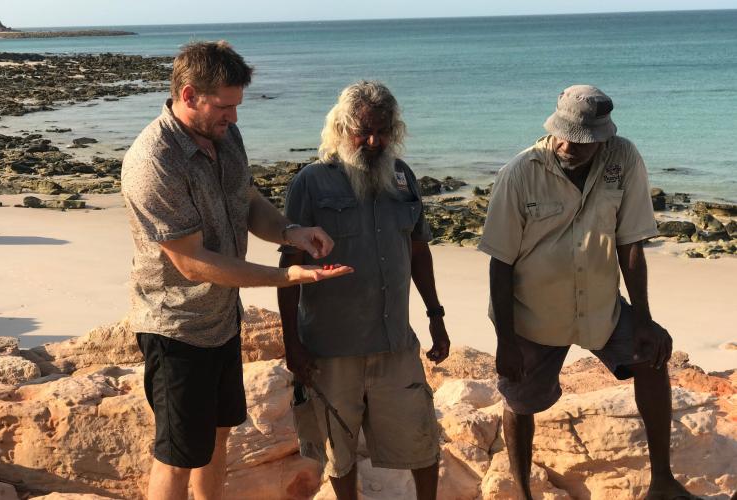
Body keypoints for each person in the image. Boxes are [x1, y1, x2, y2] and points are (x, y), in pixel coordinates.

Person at [121, 40, 352, 500]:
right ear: (188, 96)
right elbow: (190, 263)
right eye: (225, 106)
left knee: (219, 434)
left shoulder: (224, 136)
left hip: (224, 321)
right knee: (177, 456)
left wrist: (292, 232)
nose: (235, 117)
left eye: (237, 105)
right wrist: (285, 278)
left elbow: (245, 201)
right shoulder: (153, 161)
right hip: (176, 329)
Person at [479, 85, 699, 500]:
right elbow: (499, 262)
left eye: (582, 141)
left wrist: (645, 320)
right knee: (518, 400)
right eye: (562, 133)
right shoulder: (520, 172)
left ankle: (663, 483)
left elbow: (631, 243)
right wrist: (505, 340)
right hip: (532, 312)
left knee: (653, 357)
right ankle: (523, 493)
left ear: (604, 137)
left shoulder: (624, 158)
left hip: (600, 306)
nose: (568, 145)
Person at [277, 81, 450, 500]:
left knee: (422, 441)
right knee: (340, 453)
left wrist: (436, 316)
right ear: (341, 128)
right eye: (363, 131)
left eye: (383, 130)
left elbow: (418, 251)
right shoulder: (311, 183)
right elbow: (288, 268)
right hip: (332, 350)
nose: (374, 141)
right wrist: (291, 342)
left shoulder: (403, 178)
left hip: (395, 344)